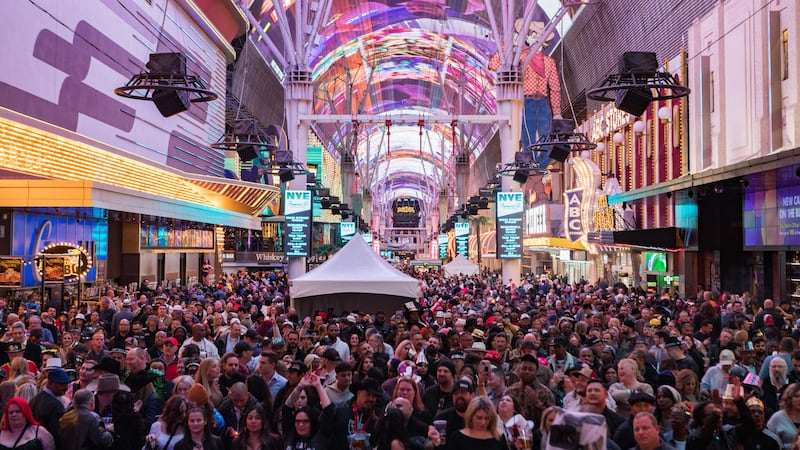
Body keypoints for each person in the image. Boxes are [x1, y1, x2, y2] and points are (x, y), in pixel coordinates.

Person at [320, 378, 381, 450]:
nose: (371, 399)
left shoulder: (375, 420)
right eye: (368, 394)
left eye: (374, 396)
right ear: (358, 393)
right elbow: (324, 432)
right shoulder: (339, 409)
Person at [430, 396, 503, 450]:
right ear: (471, 416)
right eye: (479, 418)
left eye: (487, 418)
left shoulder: (498, 436)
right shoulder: (457, 437)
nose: (483, 422)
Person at [29, 368, 70, 447]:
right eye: (61, 384)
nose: (66, 388)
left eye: (66, 384)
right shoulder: (56, 405)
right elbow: (57, 434)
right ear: (50, 383)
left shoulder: (35, 399)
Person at [766, 382, 800, 449]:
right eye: (796, 396)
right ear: (789, 398)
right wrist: (792, 446)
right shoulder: (777, 417)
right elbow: (767, 443)